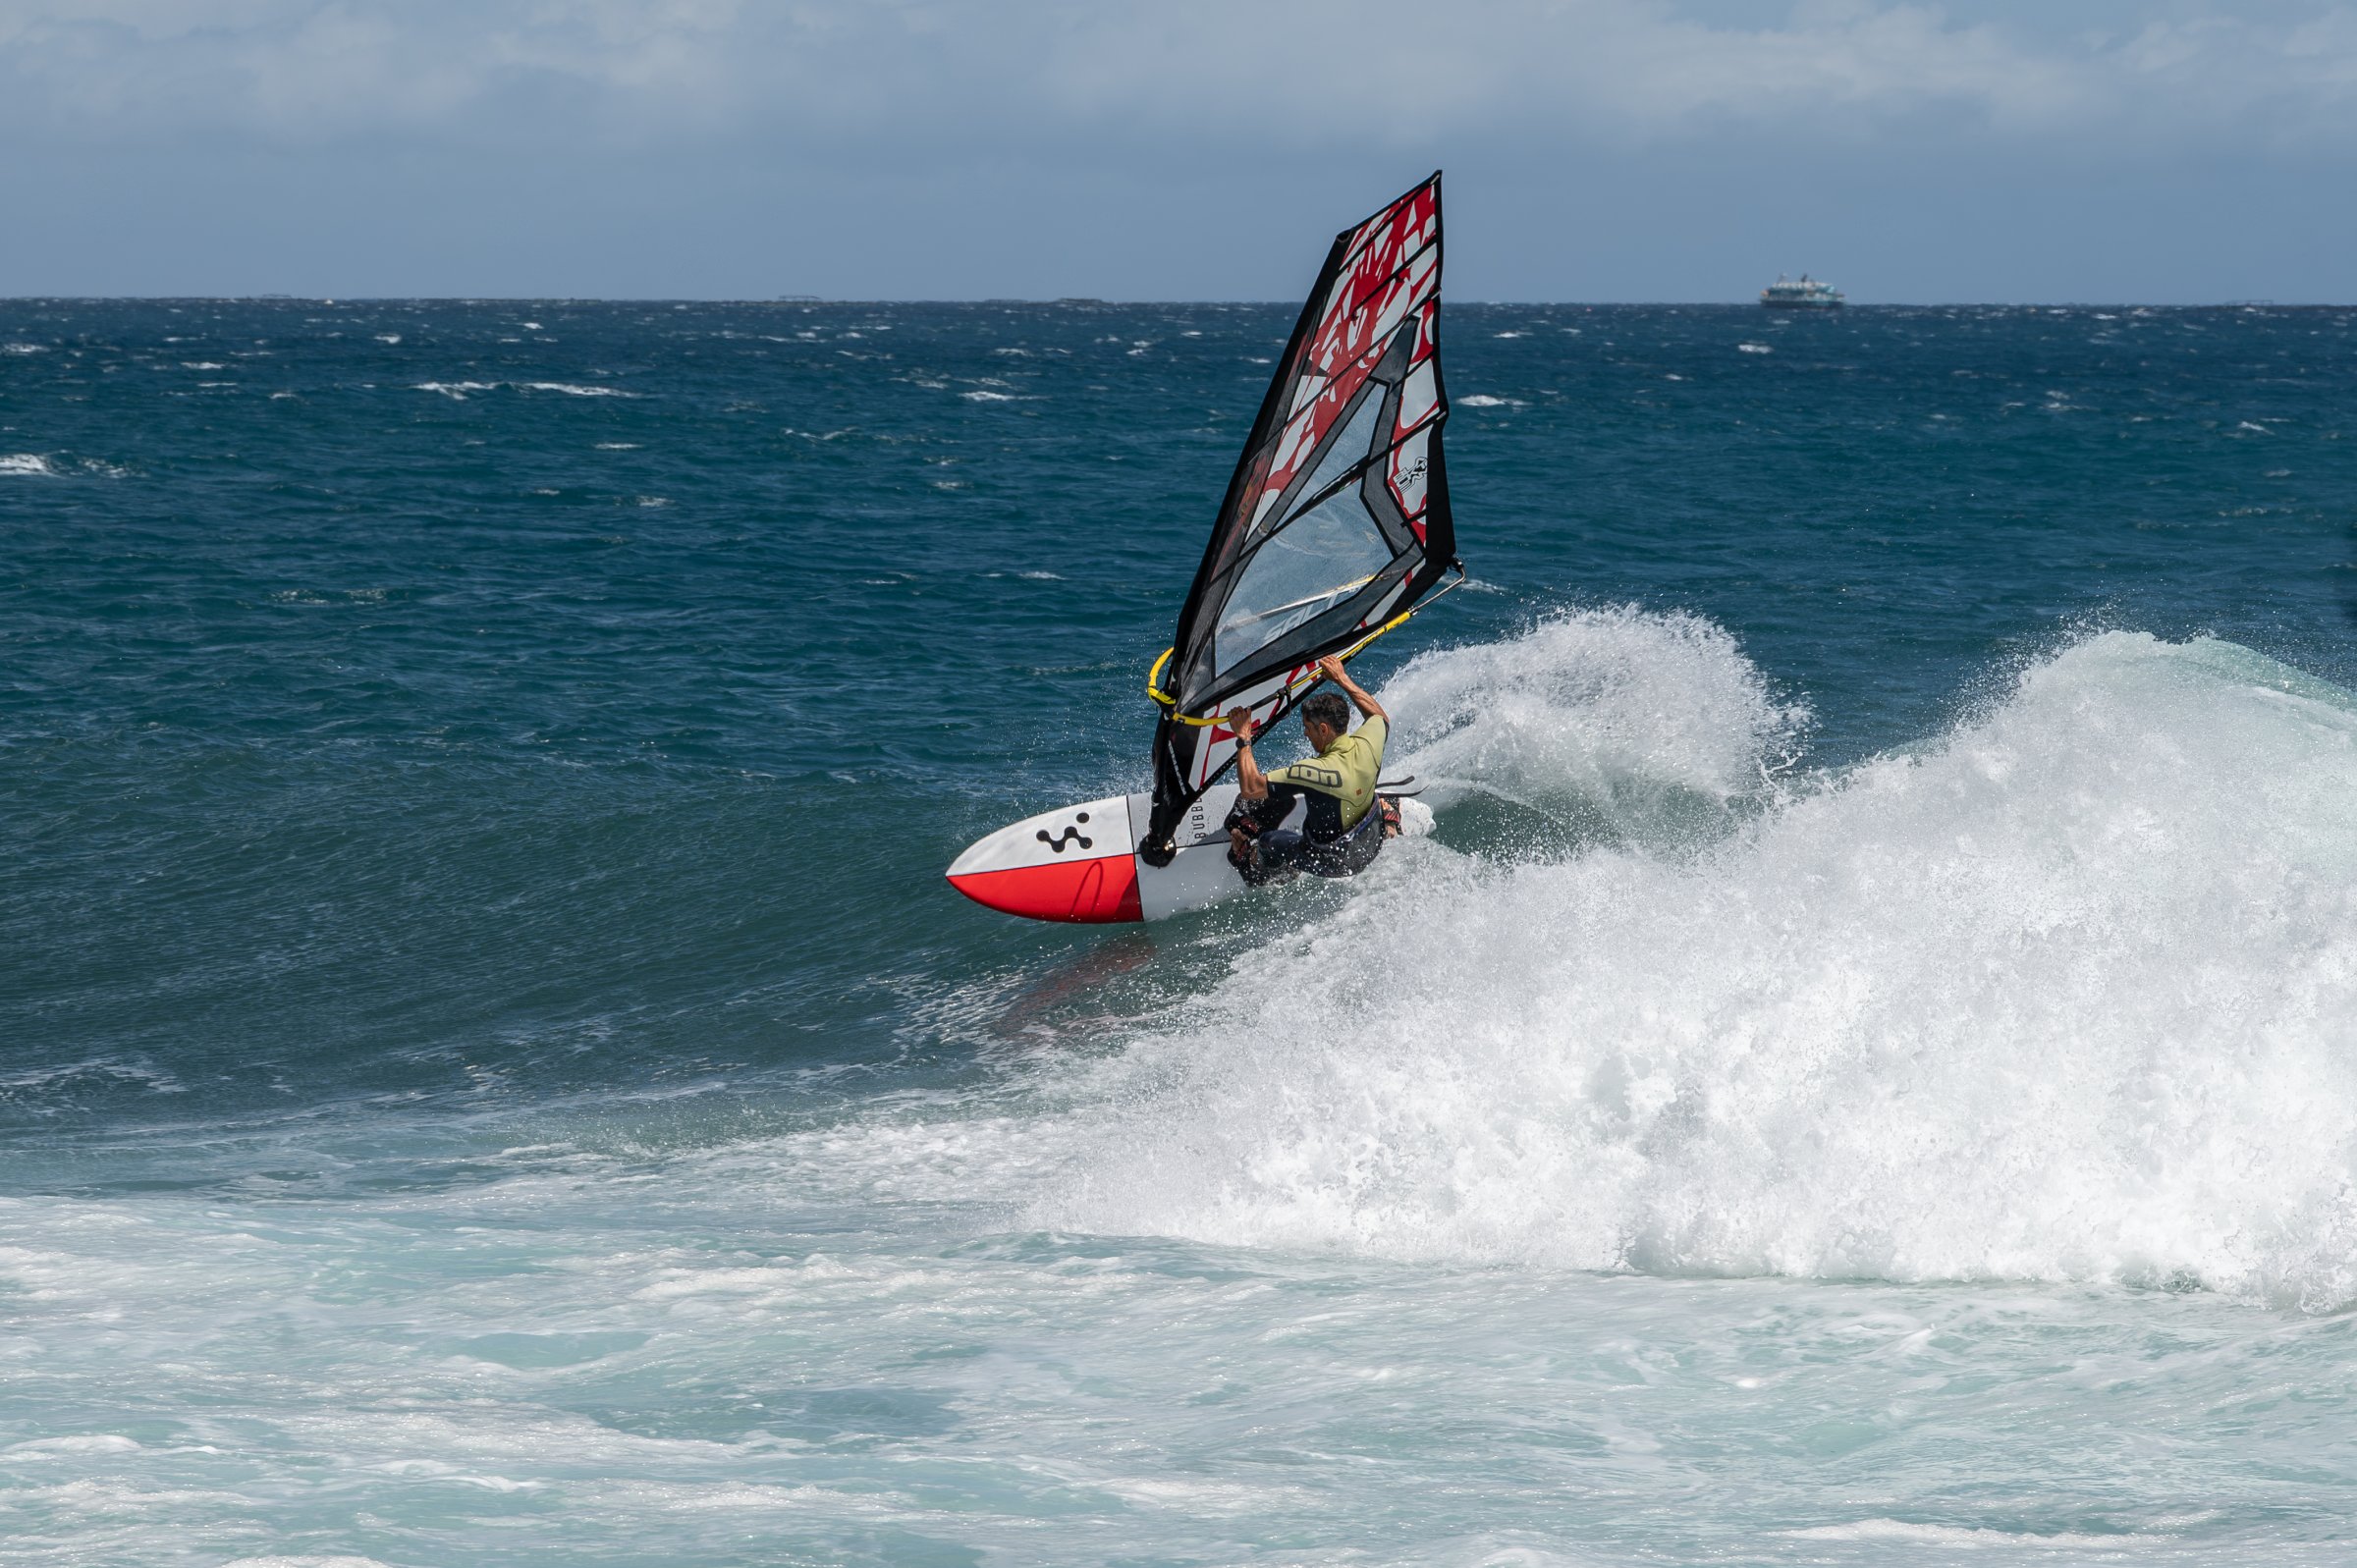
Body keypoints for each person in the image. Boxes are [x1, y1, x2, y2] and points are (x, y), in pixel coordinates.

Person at [1225, 655, 1398, 887]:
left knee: (1268, 841)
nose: (1306, 734)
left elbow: (1251, 788)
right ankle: (1388, 823)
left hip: (1333, 861)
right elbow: (1379, 716)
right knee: (1377, 793)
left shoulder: (1315, 771)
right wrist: (1342, 679)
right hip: (1369, 842)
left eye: (1308, 728)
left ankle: (1255, 866)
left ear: (1324, 729)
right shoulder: (1370, 741)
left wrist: (1244, 737)